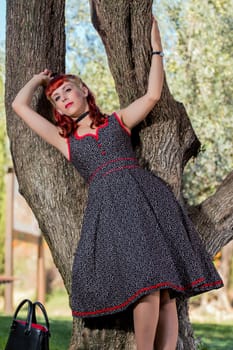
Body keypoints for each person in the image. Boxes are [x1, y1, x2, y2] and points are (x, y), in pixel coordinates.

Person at [12, 17, 223, 350]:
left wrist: (157, 48)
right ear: (57, 111)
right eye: (56, 99)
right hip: (111, 212)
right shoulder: (65, 140)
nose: (63, 97)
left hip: (147, 202)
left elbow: (153, 95)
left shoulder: (117, 121)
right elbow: (18, 106)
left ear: (84, 90)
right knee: (147, 287)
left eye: (68, 89)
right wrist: (39, 80)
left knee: (165, 289)